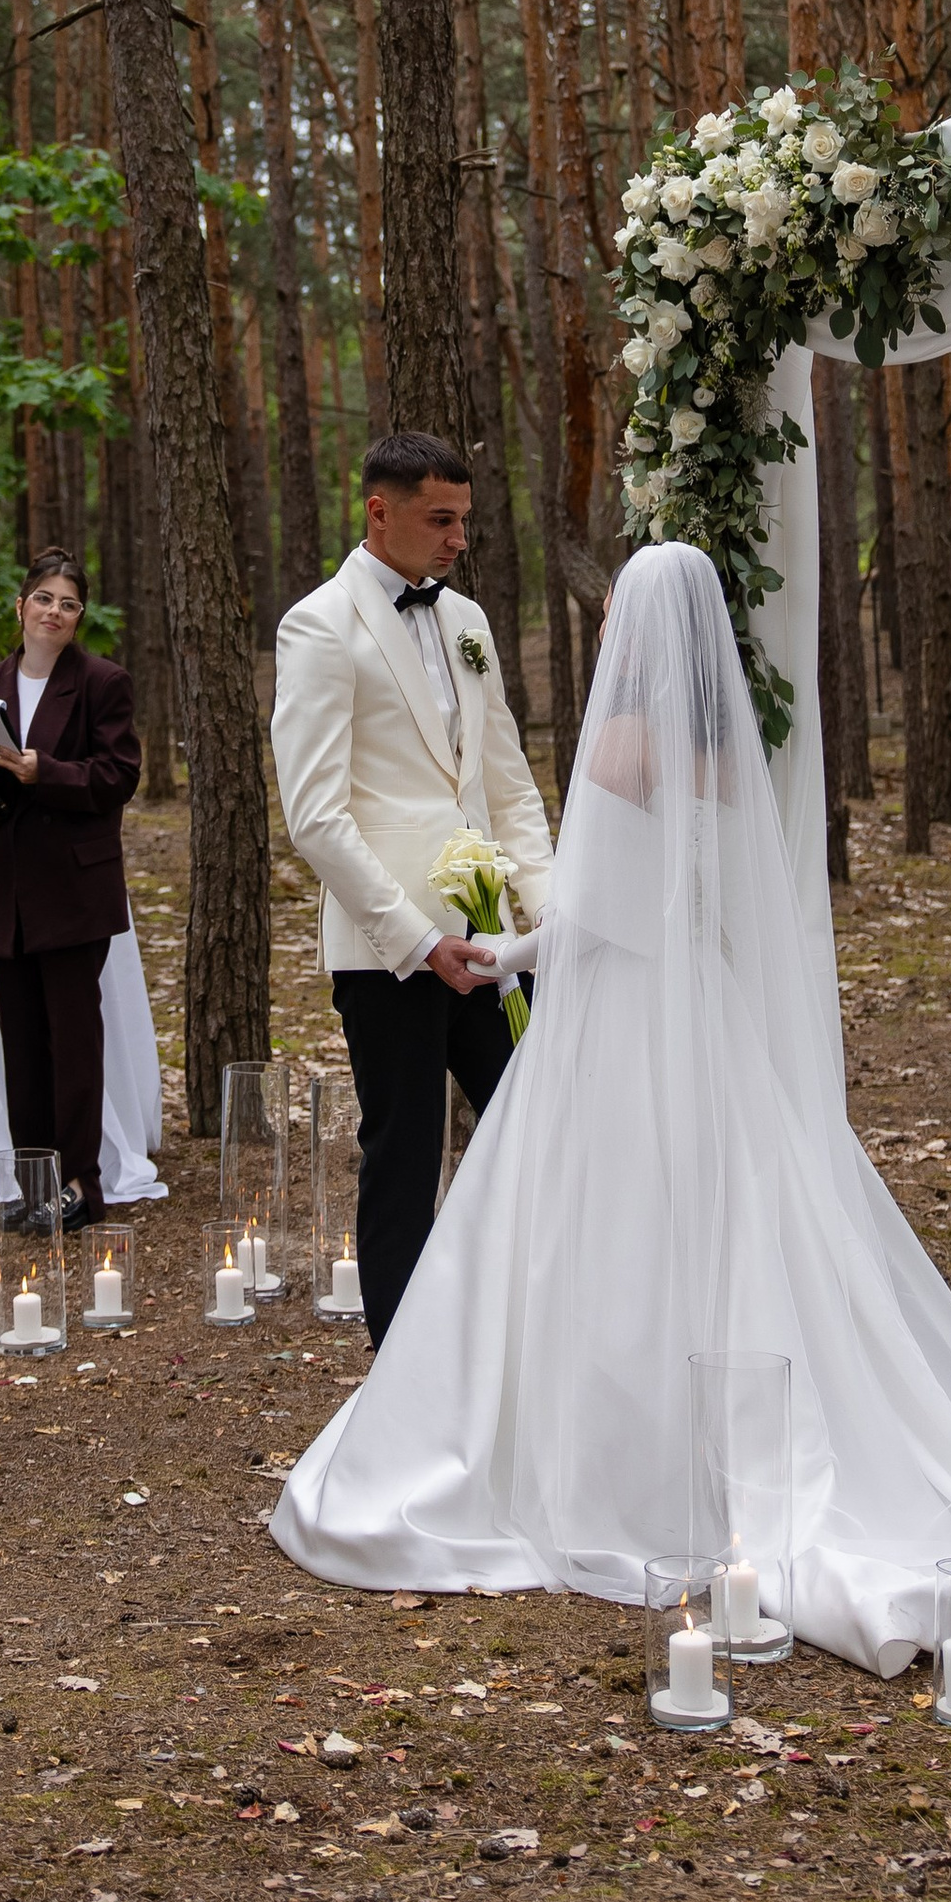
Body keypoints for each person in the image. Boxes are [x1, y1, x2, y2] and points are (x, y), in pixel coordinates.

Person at [272, 538, 951, 1669]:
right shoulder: (722, 751)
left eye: (618, 599)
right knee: (733, 1206)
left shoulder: (623, 742)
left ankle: (611, 1463)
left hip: (621, 1007)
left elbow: (604, 913)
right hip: (703, 1011)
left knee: (605, 1223)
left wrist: (510, 951)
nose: (610, 613)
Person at [269, 431, 554, 1342]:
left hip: (495, 941)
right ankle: (400, 1371)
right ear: (378, 512)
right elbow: (316, 816)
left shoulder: (467, 623)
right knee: (403, 1155)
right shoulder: (319, 625)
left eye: (465, 520)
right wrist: (417, 939)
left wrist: (548, 913)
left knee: (541, 1129)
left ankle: (522, 1333)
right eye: (441, 519)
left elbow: (506, 780)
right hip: (391, 949)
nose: (458, 539)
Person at [0, 551, 140, 1224]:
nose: (54, 612)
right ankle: (33, 1180)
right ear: (21, 607)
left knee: (73, 1041)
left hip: (72, 888)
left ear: (78, 617)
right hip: (5, 890)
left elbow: (117, 777)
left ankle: (81, 1185)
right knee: (22, 1042)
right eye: (43, 599)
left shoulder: (101, 683)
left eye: (68, 604)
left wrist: (45, 773)